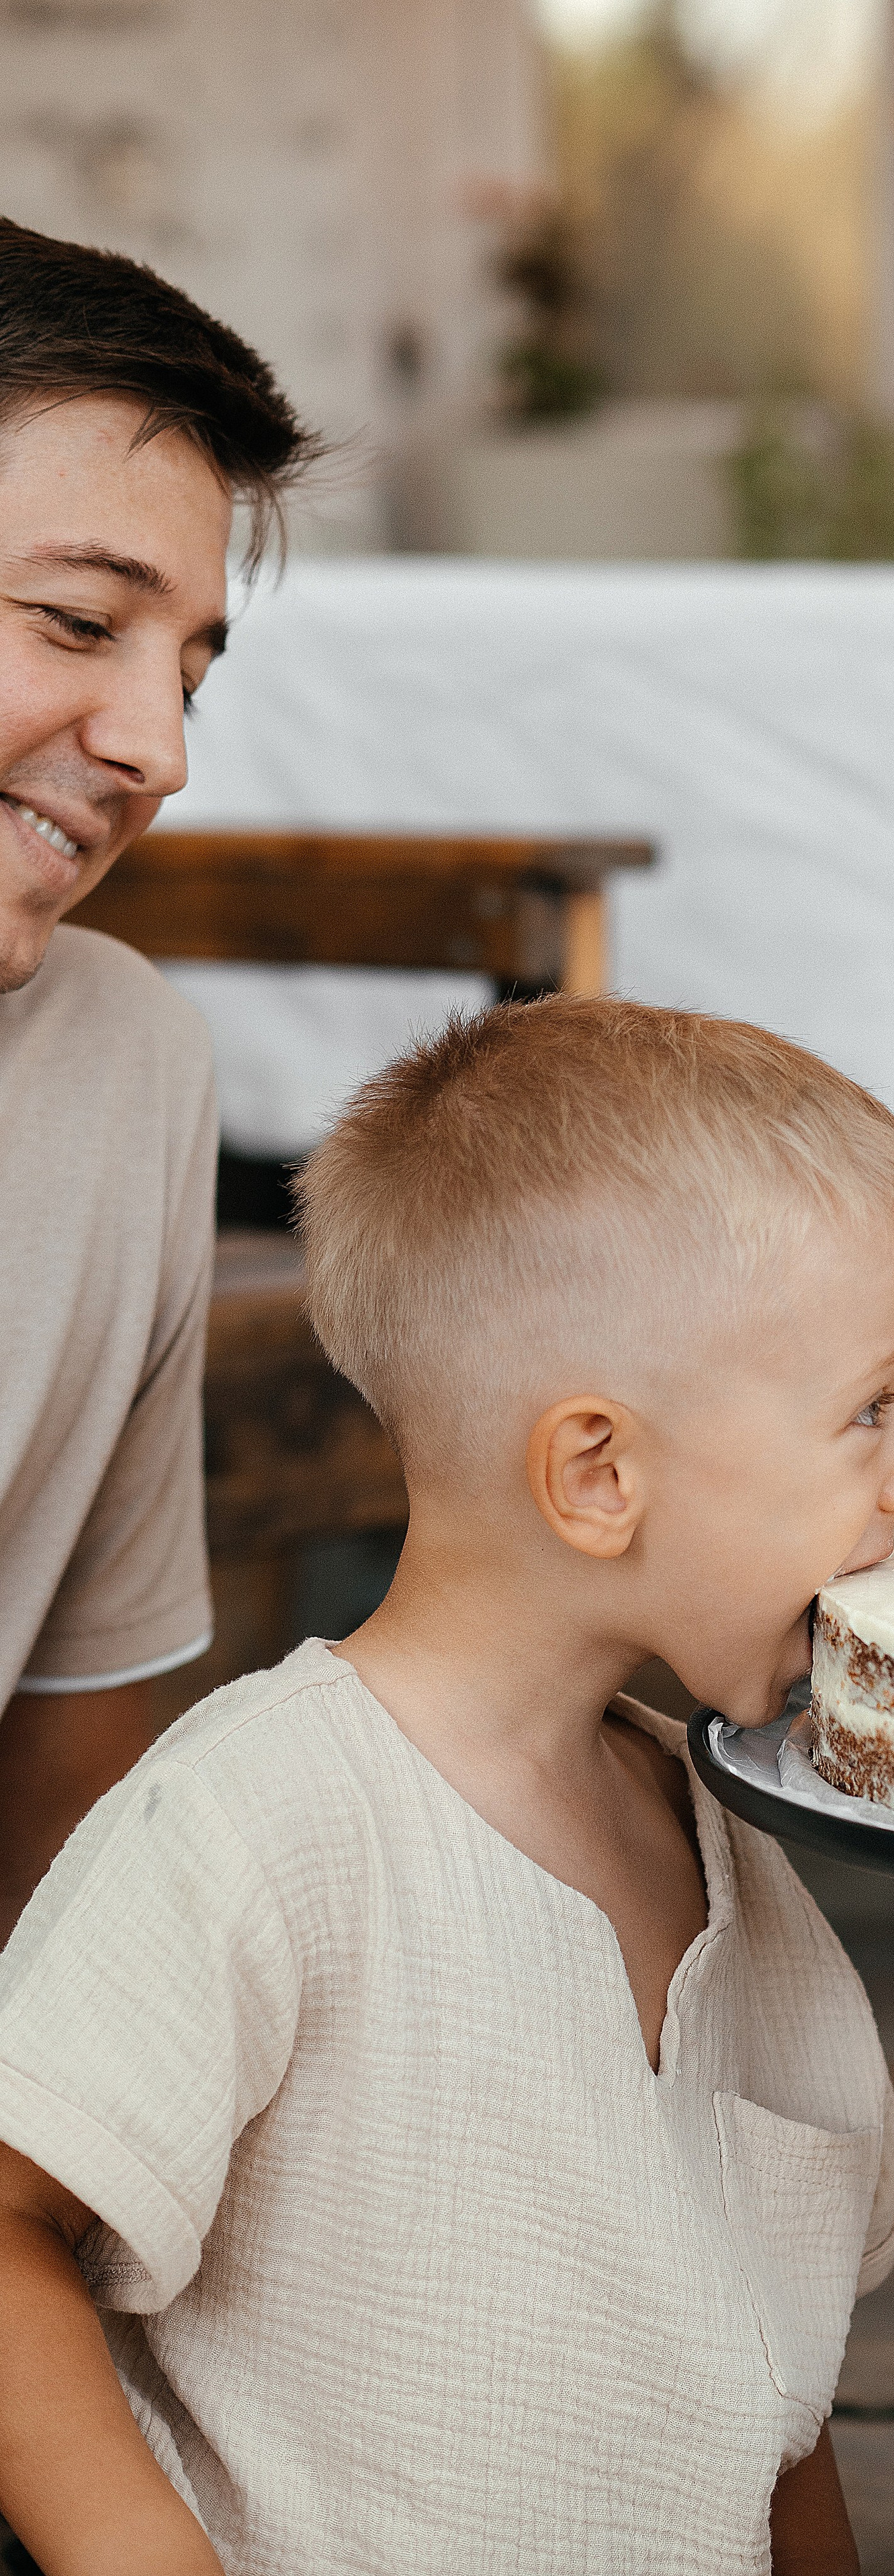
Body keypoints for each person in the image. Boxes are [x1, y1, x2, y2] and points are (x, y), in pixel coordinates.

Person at [0, 995, 894, 2575]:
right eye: (868, 1408)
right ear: (598, 1473)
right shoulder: (256, 1820)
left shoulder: (734, 1849)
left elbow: (770, 2401)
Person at [0, 219, 320, 1940]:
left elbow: (72, 1747)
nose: (158, 751)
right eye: (77, 623)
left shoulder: (123, 1068)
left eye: (188, 672)